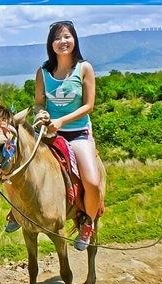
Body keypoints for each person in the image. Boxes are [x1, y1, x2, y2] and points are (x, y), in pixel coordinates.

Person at [6, 20, 101, 252]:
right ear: (51, 44)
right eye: (57, 38)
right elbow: (39, 104)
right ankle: (16, 211)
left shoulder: (84, 68)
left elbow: (89, 106)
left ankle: (87, 222)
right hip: (48, 133)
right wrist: (44, 115)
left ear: (74, 39)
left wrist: (62, 121)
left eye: (67, 36)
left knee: (92, 181)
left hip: (78, 133)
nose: (63, 41)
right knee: (10, 168)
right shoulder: (43, 72)